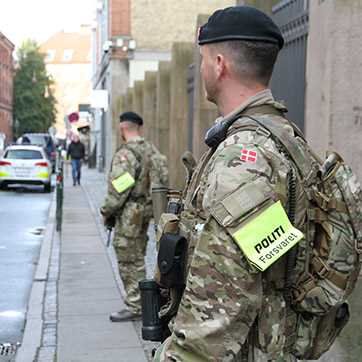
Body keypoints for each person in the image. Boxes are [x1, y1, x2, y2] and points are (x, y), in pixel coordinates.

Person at [153, 6, 315, 362]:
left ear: (220, 64)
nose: (203, 65)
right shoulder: (285, 136)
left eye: (203, 58)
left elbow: (219, 307)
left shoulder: (243, 158)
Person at [100, 111, 168, 322]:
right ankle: (144, 301)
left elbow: (120, 188)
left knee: (129, 259)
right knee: (138, 255)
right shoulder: (151, 150)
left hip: (129, 214)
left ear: (122, 128)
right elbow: (162, 180)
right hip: (145, 211)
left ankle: (136, 305)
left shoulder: (126, 154)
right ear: (139, 127)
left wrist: (106, 211)